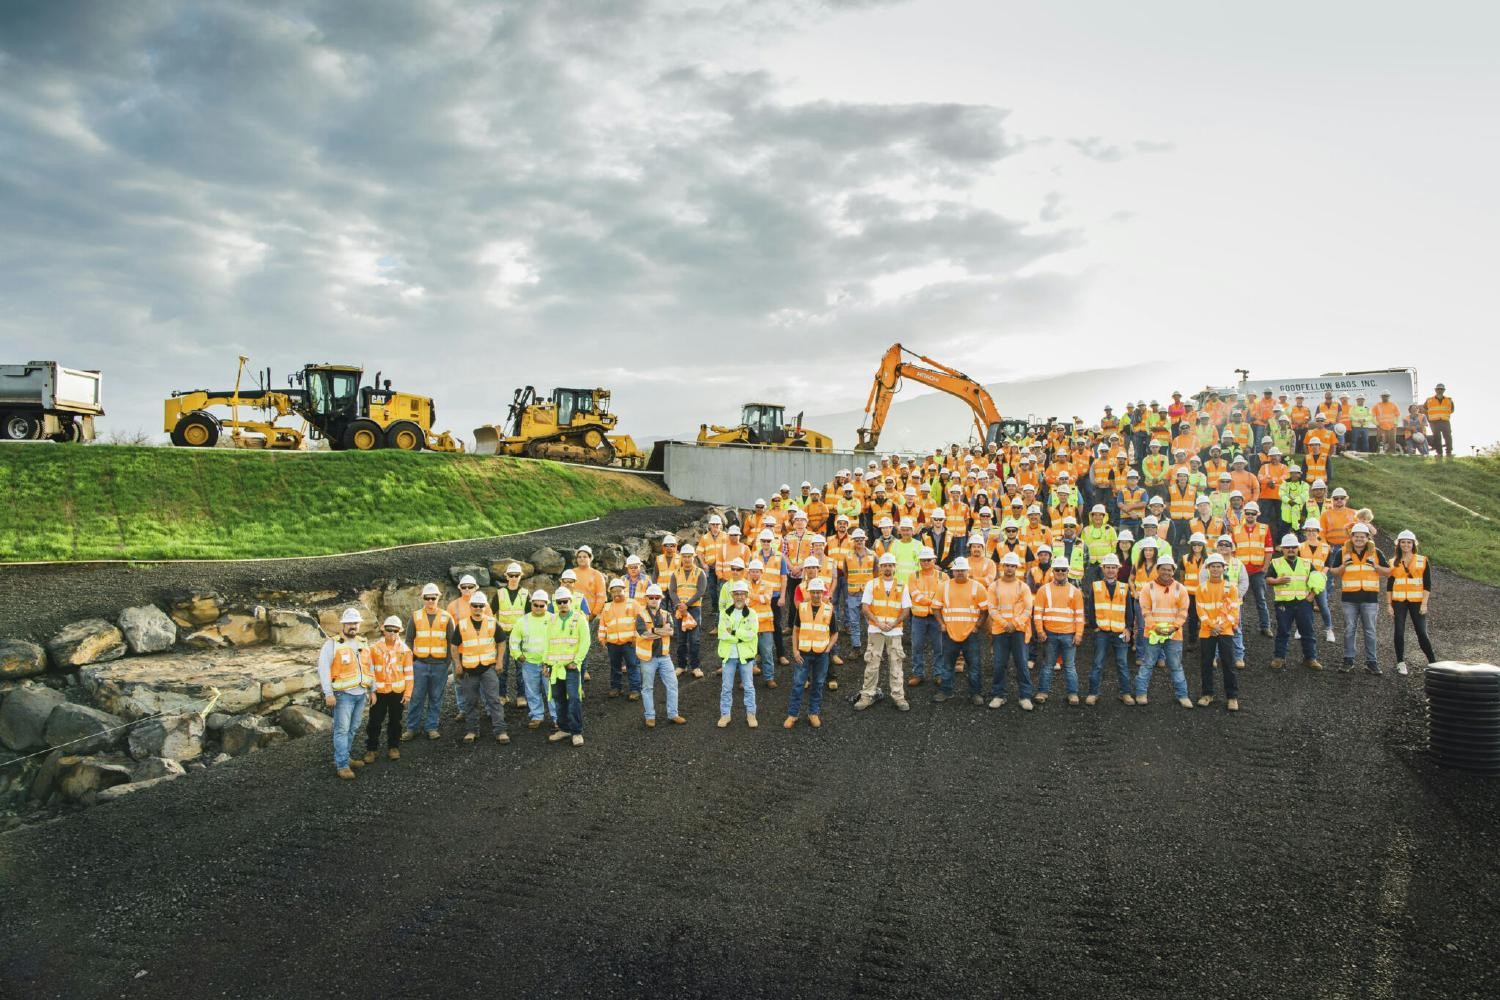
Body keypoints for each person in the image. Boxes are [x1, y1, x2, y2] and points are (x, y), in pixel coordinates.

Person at [319, 607, 373, 780]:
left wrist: (373, 689)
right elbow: (323, 669)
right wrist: (328, 693)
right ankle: (342, 765)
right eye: (349, 623)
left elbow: (369, 668)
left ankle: (346, 757)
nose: (353, 626)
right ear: (343, 624)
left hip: (361, 693)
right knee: (341, 730)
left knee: (353, 728)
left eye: (355, 623)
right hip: (343, 695)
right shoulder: (332, 644)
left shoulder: (363, 643)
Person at [449, 591, 510, 745]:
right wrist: (457, 664)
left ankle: (500, 731)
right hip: (469, 670)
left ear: (485, 607)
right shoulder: (462, 625)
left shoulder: (492, 623)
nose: (478, 608)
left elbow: (502, 641)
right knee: (471, 702)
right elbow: (454, 646)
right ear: (470, 607)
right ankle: (472, 730)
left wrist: (499, 661)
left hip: (488, 668)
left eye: (481, 606)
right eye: (475, 606)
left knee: (494, 700)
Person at [1133, 556, 1193, 709]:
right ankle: (1141, 694)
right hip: (1152, 634)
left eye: (1169, 569)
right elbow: (1145, 611)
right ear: (1158, 570)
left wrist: (1175, 627)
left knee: (1176, 666)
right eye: (1163, 569)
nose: (1167, 572)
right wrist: (1155, 627)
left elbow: (1183, 611)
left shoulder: (1181, 589)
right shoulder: (1148, 588)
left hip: (1174, 635)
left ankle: (1183, 696)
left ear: (1174, 571)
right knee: (1147, 664)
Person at [1330, 523, 1389, 674]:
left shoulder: (1376, 552)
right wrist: (1343, 566)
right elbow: (1334, 572)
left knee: (1370, 631)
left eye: (1362, 537)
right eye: (1356, 536)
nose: (1359, 539)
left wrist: (1376, 567)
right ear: (1351, 537)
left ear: (1368, 538)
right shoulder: (1342, 552)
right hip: (1349, 598)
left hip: (1370, 598)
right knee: (1349, 629)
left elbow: (1388, 571)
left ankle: (1371, 662)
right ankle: (1348, 660)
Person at [856, 553, 912, 712]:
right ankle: (867, 695)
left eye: (890, 565)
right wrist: (879, 623)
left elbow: (906, 609)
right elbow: (865, 608)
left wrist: (893, 624)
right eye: (884, 565)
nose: (887, 568)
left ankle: (898, 696)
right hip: (876, 629)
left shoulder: (902, 585)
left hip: (895, 631)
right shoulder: (871, 584)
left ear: (894, 567)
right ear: (880, 567)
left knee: (896, 664)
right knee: (872, 663)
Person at [931, 556, 989, 705]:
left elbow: (984, 610)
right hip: (949, 633)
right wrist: (941, 624)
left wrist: (977, 626)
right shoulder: (944, 586)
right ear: (952, 572)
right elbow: (936, 608)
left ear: (968, 571)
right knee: (947, 665)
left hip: (971, 634)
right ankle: (946, 691)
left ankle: (975, 693)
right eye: (957, 570)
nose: (960, 573)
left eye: (963, 570)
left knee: (974, 666)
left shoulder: (978, 587)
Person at [1265, 535, 1323, 671]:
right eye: (1287, 547)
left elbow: (1318, 580)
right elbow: (1268, 579)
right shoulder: (1276, 562)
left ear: (1298, 548)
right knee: (1283, 631)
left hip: (1303, 602)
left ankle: (1310, 658)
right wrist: (1276, 581)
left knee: (1307, 630)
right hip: (1284, 603)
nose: (1290, 549)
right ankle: (1279, 658)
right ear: (1282, 549)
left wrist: (1311, 596)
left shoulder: (1307, 563)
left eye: (1293, 547)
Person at [1032, 557, 1085, 705]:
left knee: (1069, 666)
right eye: (1057, 570)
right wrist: (1040, 631)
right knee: (1048, 665)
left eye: (1063, 570)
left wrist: (1079, 634)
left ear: (1068, 571)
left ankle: (1073, 694)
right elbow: (1038, 613)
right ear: (1053, 571)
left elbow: (1079, 615)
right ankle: (1043, 692)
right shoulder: (1044, 590)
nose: (1060, 572)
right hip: (1049, 634)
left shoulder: (1075, 592)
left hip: (1069, 634)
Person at [786, 577, 838, 728]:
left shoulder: (829, 610)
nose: (816, 595)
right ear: (809, 593)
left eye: (819, 592)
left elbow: (834, 633)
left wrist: (828, 649)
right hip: (803, 653)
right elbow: (795, 631)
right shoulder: (801, 608)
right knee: (798, 684)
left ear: (823, 593)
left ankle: (813, 713)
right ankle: (792, 714)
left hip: (821, 654)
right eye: (813, 592)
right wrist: (795, 650)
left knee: (818, 684)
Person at [402, 583, 451, 742]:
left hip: (439, 665)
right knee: (416, 697)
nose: (430, 601)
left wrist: (446, 662)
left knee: (436, 697)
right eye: (427, 598)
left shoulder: (446, 617)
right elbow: (408, 641)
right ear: (423, 598)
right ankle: (411, 728)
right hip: (420, 664)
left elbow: (452, 642)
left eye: (433, 598)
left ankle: (432, 727)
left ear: (438, 597)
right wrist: (411, 662)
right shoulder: (415, 616)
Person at [987, 552, 1035, 710]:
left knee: (1021, 663)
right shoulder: (994, 586)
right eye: (1007, 565)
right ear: (1002, 566)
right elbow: (992, 609)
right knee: (1000, 664)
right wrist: (1004, 624)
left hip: (1018, 630)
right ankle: (998, 695)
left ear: (1016, 567)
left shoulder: (1023, 587)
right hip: (1000, 630)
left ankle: (1025, 696)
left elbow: (1028, 609)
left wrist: (1014, 624)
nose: (1009, 568)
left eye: (1012, 566)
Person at [363, 616, 413, 764]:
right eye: (388, 630)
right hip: (379, 692)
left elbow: (409, 673)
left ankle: (393, 747)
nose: (391, 633)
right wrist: (371, 692)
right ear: (383, 630)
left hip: (397, 691)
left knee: (395, 721)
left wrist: (408, 693)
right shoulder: (374, 649)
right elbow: (370, 672)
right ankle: (371, 749)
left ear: (399, 631)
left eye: (395, 630)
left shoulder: (405, 650)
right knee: (375, 721)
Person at [545, 588, 591, 747]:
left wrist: (577, 661)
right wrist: (545, 663)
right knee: (558, 698)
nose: (562, 604)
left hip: (571, 668)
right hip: (555, 668)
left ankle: (576, 731)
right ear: (556, 604)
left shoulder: (580, 619)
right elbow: (547, 643)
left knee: (574, 698)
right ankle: (564, 728)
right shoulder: (551, 620)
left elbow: (585, 642)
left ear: (571, 602)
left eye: (565, 601)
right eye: (559, 602)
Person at [1195, 554, 1241, 711]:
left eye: (1218, 566)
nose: (1215, 569)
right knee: (1206, 663)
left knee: (1228, 663)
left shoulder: (1231, 588)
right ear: (1208, 568)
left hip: (1224, 630)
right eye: (1212, 566)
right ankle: (1207, 694)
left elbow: (1234, 611)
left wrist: (1218, 626)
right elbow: (1200, 610)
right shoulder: (1201, 588)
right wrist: (1211, 626)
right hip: (1207, 631)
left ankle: (1232, 697)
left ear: (1223, 568)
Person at [636, 584, 685, 728]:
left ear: (660, 599)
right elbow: (644, 634)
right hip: (648, 659)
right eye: (651, 597)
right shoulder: (641, 615)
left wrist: (653, 630)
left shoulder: (666, 614)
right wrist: (659, 630)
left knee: (672, 685)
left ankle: (673, 714)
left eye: (656, 597)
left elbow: (669, 632)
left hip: (664, 657)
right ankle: (650, 716)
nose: (653, 599)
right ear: (646, 598)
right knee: (647, 688)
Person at [1388, 529, 1436, 675]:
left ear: (1413, 544)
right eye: (1403, 542)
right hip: (1399, 601)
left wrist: (1424, 603)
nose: (1406, 545)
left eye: (1409, 542)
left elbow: (1427, 584)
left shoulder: (1422, 560)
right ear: (1399, 544)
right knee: (1399, 632)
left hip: (1417, 601)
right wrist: (1389, 604)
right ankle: (1401, 662)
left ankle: (1433, 663)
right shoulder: (1392, 562)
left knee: (1422, 632)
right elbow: (1389, 585)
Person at [1086, 553, 1130, 706]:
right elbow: (1090, 608)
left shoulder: (1125, 587)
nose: (1111, 570)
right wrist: (1094, 626)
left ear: (1118, 569)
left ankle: (1125, 693)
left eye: (1113, 567)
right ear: (1103, 569)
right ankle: (1093, 693)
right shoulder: (1095, 586)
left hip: (1120, 631)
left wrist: (1128, 628)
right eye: (1108, 567)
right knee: (1098, 663)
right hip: (1102, 632)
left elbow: (1128, 611)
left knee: (1122, 663)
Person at [510, 590, 556, 730]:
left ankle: (557, 718)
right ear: (531, 604)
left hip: (548, 663)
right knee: (531, 691)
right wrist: (518, 655)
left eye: (542, 605)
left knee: (552, 691)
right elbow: (513, 640)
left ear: (547, 605)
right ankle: (537, 716)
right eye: (535, 605)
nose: (538, 608)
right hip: (529, 663)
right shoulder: (522, 621)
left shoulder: (554, 619)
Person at [717, 579, 760, 728]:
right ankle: (725, 715)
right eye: (736, 594)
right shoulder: (724, 613)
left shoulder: (752, 614)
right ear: (732, 596)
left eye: (742, 594)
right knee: (726, 687)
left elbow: (752, 634)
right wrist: (740, 636)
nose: (739, 597)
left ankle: (751, 714)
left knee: (749, 687)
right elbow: (722, 634)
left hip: (745, 656)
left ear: (746, 595)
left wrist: (734, 632)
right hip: (729, 656)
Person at [905, 547, 946, 687]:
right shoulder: (913, 576)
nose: (926, 562)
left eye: (928, 560)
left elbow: (946, 595)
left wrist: (935, 604)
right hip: (919, 618)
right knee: (917, 646)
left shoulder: (943, 576)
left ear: (934, 560)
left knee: (939, 647)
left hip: (937, 618)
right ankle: (918, 674)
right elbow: (914, 594)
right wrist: (933, 602)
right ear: (919, 561)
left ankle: (939, 673)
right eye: (923, 560)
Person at [598, 579, 642, 701]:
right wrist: (602, 638)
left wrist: (637, 638)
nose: (616, 593)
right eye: (613, 591)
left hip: (630, 642)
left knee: (632, 665)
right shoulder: (607, 607)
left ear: (624, 590)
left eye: (619, 590)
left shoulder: (633, 604)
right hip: (613, 644)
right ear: (610, 593)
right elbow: (603, 624)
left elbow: (641, 623)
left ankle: (635, 690)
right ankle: (616, 688)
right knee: (615, 666)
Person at [493, 564, 530, 708]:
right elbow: (491, 613)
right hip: (503, 636)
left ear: (521, 576)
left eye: (516, 575)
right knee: (502, 666)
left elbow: (530, 616)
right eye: (511, 575)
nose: (514, 578)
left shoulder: (525, 594)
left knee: (521, 668)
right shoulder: (500, 593)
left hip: (520, 636)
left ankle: (521, 696)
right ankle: (502, 695)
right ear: (506, 576)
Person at [669, 545, 708, 679]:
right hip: (680, 609)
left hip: (694, 609)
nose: (686, 559)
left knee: (694, 639)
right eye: (684, 556)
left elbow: (701, 591)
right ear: (681, 558)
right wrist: (679, 605)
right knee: (681, 639)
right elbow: (672, 591)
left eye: (689, 556)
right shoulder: (675, 573)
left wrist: (687, 604)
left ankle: (695, 667)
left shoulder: (700, 573)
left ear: (693, 557)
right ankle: (681, 665)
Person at [1424, 383, 1454, 457]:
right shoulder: (1429, 400)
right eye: (1438, 389)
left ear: (1444, 390)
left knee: (1448, 437)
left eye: (1441, 389)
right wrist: (1429, 418)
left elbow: (1452, 410)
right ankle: (1439, 453)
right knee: (1437, 437)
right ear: (1435, 390)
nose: (1439, 390)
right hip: (1434, 422)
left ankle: (1449, 452)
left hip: (1445, 421)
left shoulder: (1449, 400)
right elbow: (1424, 409)